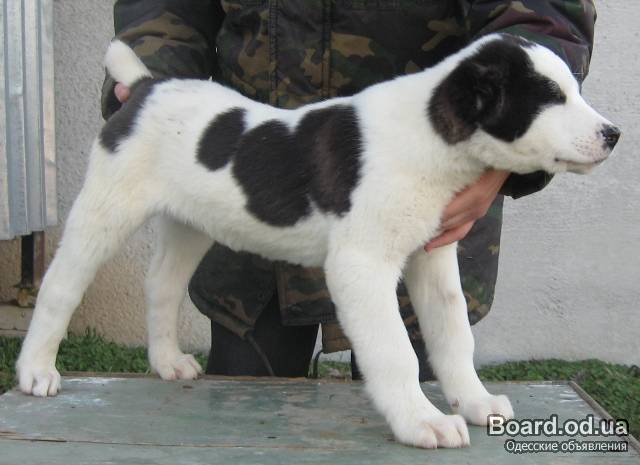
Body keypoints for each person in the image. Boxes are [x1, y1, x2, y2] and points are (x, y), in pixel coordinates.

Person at [102, 1, 596, 379]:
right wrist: (156, 87)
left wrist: (498, 164)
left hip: (428, 197)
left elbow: (544, 17)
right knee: (247, 428)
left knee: (422, 422)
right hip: (252, 198)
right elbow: (166, 8)